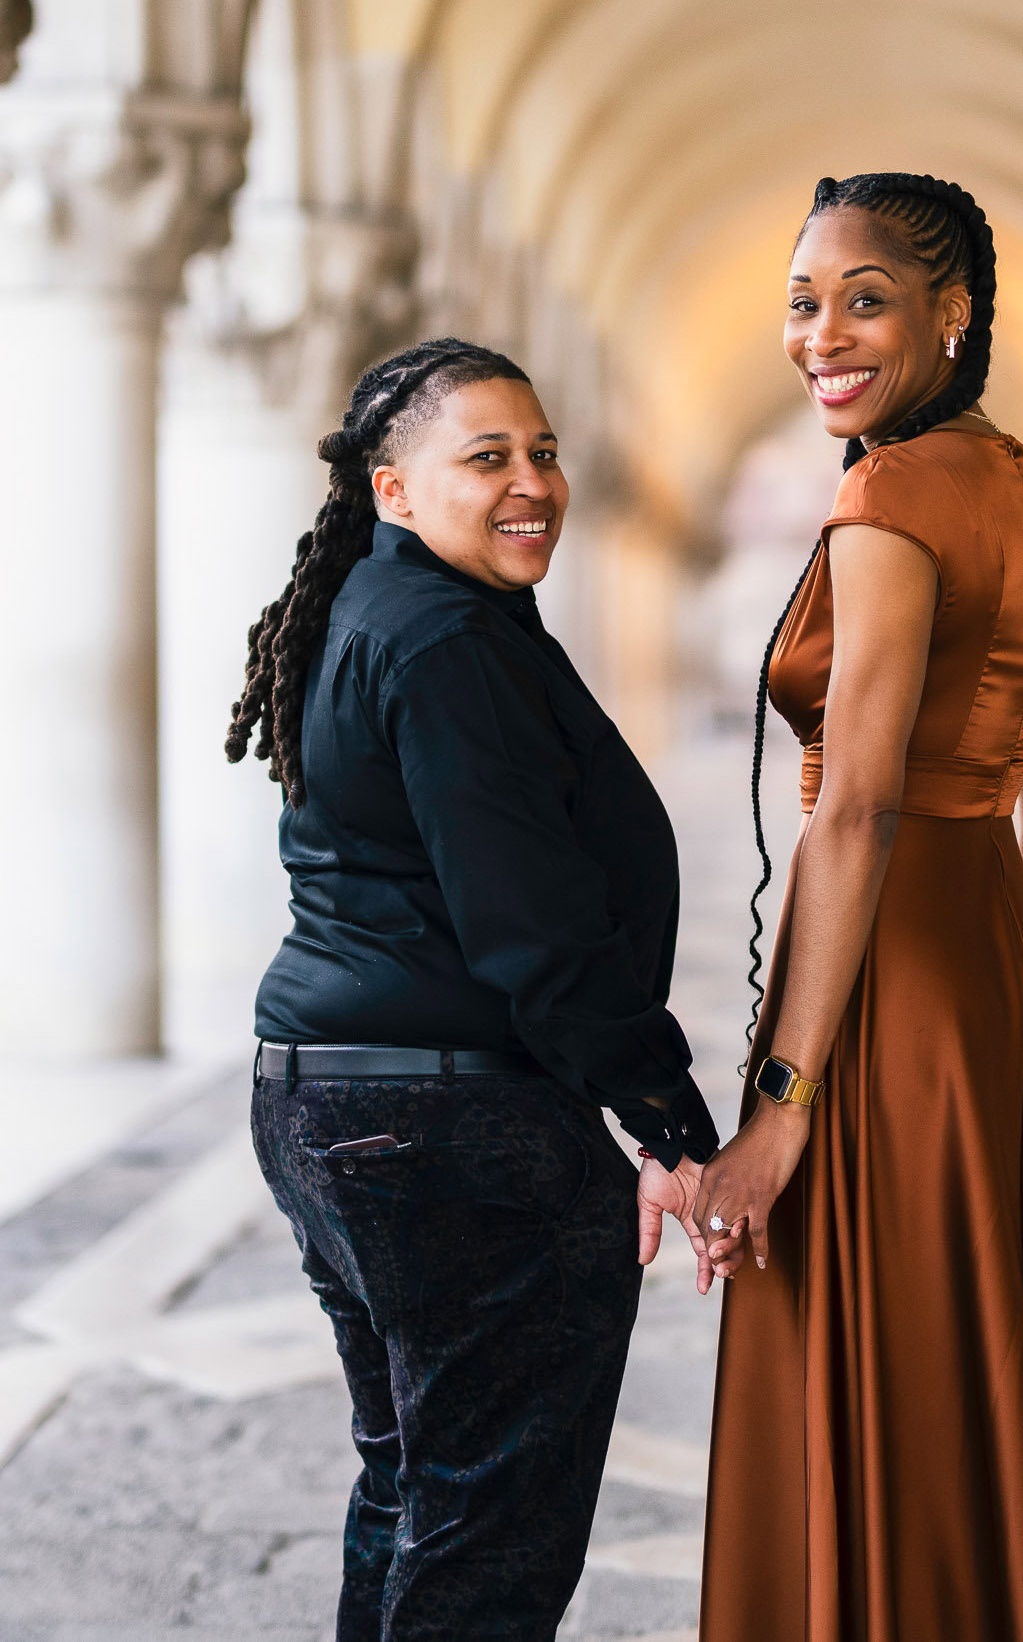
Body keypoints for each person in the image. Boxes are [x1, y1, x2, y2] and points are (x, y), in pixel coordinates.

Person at [695, 176, 1023, 1640]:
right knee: (992, 1361)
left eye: (865, 298)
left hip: (888, 978)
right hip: (997, 981)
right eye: (801, 300)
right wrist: (1020, 1013)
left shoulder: (888, 495)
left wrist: (779, 1104)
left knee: (874, 1359)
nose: (820, 333)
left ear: (951, 315)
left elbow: (857, 807)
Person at [226, 337, 719, 1642]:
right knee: (484, 1543)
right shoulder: (445, 641)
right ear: (392, 491)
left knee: (417, 1491)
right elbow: (535, 931)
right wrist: (667, 1123)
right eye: (487, 457)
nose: (533, 482)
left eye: (545, 452)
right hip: (448, 1139)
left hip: (332, 1109)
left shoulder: (392, 615)